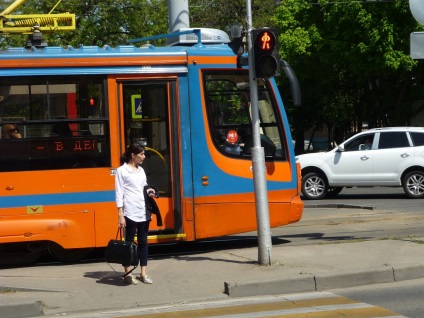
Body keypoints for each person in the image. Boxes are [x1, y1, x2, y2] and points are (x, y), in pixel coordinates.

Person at [115, 143, 156, 285]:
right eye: (141, 154)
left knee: (143, 242)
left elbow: (144, 187)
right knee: (129, 243)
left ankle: (143, 273)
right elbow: (119, 192)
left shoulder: (141, 170)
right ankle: (127, 273)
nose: (144, 157)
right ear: (133, 155)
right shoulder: (122, 171)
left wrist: (150, 191)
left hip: (143, 211)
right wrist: (120, 213)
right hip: (130, 211)